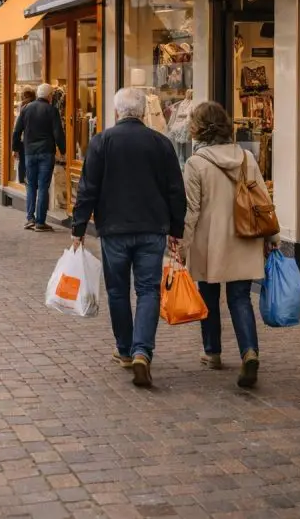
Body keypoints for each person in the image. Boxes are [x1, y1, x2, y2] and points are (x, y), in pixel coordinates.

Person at [71, 87, 186, 388]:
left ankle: (124, 349)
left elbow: (88, 187)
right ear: (143, 111)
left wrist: (79, 227)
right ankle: (141, 351)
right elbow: (175, 190)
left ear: (117, 111)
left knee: (119, 291)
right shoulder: (161, 144)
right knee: (149, 290)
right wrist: (177, 229)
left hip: (114, 230)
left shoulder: (102, 142)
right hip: (152, 228)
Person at [180, 101, 273, 389]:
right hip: (244, 238)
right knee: (240, 298)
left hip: (210, 244)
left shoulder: (196, 163)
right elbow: (263, 200)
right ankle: (250, 352)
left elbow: (191, 211)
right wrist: (272, 237)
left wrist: (182, 245)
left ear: (199, 129)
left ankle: (212, 352)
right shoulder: (246, 157)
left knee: (208, 297)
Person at [11, 83, 65, 232]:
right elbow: (58, 133)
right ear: (49, 96)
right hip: (46, 153)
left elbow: (16, 131)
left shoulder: (26, 109)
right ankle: (40, 222)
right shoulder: (52, 110)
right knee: (42, 187)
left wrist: (15, 148)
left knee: (31, 186)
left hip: (29, 153)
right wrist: (63, 150)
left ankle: (29, 219)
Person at [13, 87, 37, 186]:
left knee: (22, 161)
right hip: (32, 139)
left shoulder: (23, 105)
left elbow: (17, 128)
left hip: (23, 138)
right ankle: (29, 180)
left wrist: (15, 148)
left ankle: (22, 182)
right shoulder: (35, 104)